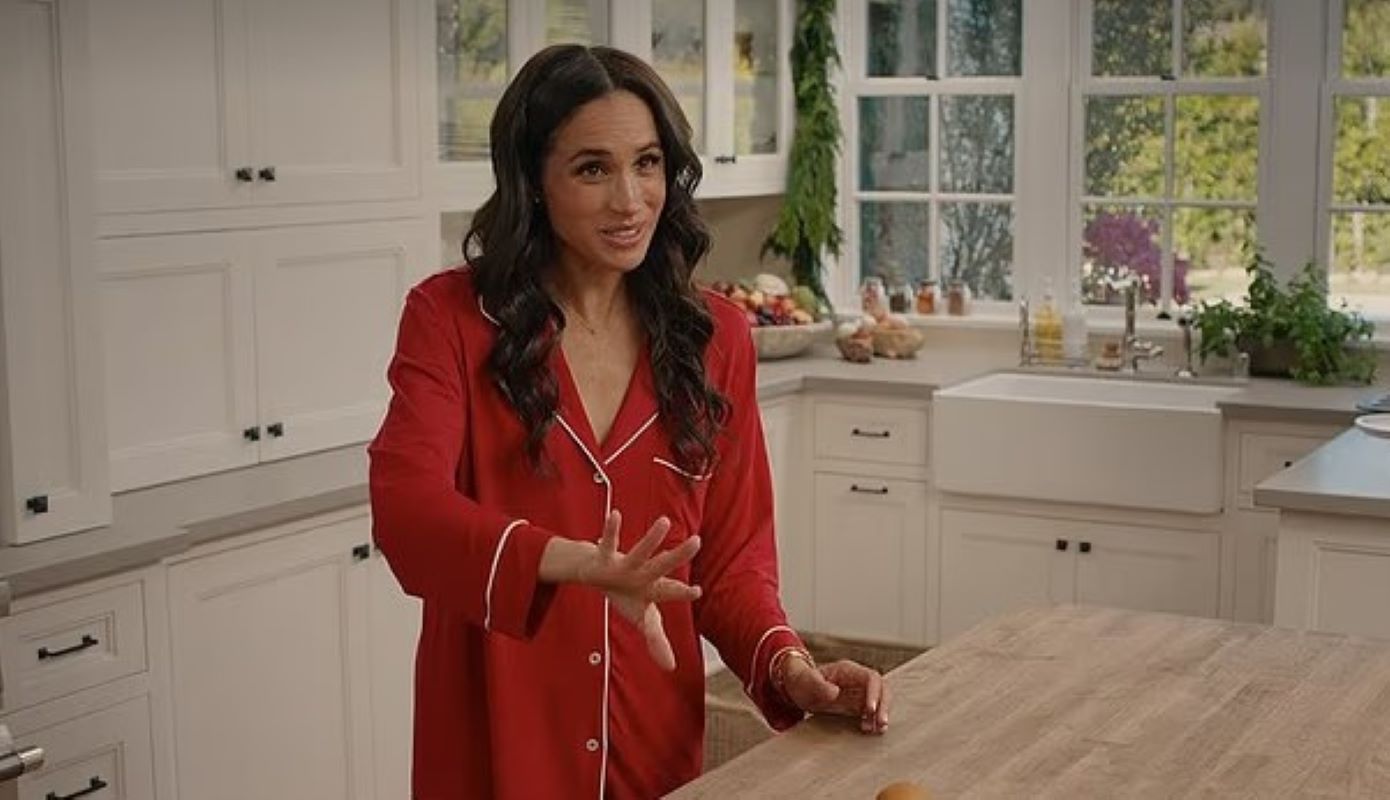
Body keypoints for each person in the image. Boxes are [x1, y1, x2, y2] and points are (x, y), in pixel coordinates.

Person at [369, 44, 890, 800]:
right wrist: (574, 562)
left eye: (647, 163)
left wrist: (788, 666)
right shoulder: (449, 319)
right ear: (533, 181)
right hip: (497, 756)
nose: (630, 200)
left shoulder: (716, 339)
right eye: (592, 169)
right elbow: (406, 511)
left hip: (652, 756)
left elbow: (732, 566)